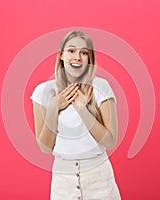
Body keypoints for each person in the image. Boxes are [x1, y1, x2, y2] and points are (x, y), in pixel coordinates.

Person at [30, 30, 121, 200]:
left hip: (99, 178)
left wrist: (82, 109)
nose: (77, 57)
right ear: (61, 56)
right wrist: (53, 108)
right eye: (71, 51)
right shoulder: (42, 91)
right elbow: (45, 147)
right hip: (62, 181)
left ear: (90, 60)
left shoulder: (101, 87)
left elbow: (110, 141)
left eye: (84, 53)